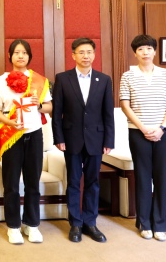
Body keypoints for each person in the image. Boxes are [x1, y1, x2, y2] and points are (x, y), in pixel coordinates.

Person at [0, 39, 52, 244]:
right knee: (11, 183)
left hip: (34, 134)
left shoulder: (39, 80)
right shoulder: (0, 81)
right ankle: (13, 226)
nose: (20, 56)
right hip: (11, 134)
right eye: (16, 52)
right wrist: (8, 121)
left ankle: (32, 224)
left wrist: (39, 105)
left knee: (33, 182)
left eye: (24, 52)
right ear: (10, 56)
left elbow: (49, 107)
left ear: (29, 56)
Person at [52, 38, 114, 243]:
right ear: (73, 55)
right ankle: (75, 224)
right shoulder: (63, 78)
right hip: (71, 138)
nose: (86, 56)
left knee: (93, 182)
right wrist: (59, 137)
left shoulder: (104, 80)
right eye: (81, 52)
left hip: (96, 138)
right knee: (73, 182)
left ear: (94, 55)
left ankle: (90, 222)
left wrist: (109, 140)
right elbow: (57, 112)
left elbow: (108, 113)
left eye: (89, 52)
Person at [119, 34, 166, 242]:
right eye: (140, 49)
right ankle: (144, 224)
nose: (145, 52)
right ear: (135, 53)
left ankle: (160, 224)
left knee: (162, 177)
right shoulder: (128, 76)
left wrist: (161, 128)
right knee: (143, 177)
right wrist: (144, 128)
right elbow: (125, 106)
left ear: (155, 51)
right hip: (138, 132)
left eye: (149, 48)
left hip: (165, 132)